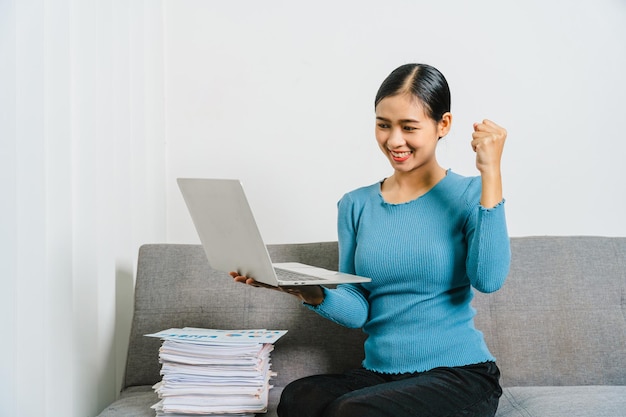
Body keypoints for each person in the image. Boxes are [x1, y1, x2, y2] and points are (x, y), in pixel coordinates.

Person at [231, 63, 510, 417]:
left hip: (461, 376)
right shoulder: (355, 204)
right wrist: (305, 291)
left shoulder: (471, 194)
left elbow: (489, 279)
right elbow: (359, 308)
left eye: (409, 127)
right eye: (383, 125)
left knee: (352, 411)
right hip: (380, 376)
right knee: (300, 398)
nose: (394, 140)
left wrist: (491, 174)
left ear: (444, 125)